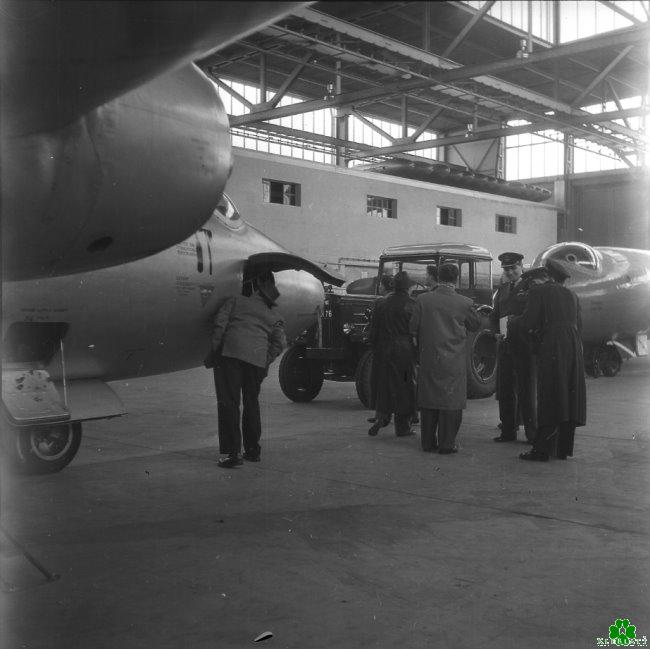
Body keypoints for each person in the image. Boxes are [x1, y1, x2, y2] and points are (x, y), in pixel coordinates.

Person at [206, 271, 286, 468]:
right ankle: (253, 451)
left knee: (229, 404)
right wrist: (265, 360)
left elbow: (219, 325)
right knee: (252, 404)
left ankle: (232, 453)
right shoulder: (274, 315)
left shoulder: (235, 301)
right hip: (256, 364)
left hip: (231, 357)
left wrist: (215, 351)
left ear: (255, 289)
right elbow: (280, 343)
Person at [518, 259, 586, 462]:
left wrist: (514, 323)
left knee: (549, 394)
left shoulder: (539, 292)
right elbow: (580, 326)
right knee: (567, 394)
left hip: (552, 345)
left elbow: (528, 322)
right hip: (572, 346)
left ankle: (541, 451)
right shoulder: (573, 295)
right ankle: (562, 449)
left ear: (547, 275)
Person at [409, 263, 481, 454]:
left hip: (429, 358)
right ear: (457, 278)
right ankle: (447, 444)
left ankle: (427, 443)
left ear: (438, 277)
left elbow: (413, 328)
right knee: (451, 401)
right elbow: (475, 325)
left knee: (429, 399)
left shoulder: (423, 300)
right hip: (453, 360)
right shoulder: (465, 302)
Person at [490, 251, 537, 444]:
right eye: (506, 269)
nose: (509, 272)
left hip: (525, 346)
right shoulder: (502, 290)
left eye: (513, 268)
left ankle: (532, 434)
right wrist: (495, 332)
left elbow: (534, 315)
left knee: (527, 390)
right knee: (506, 390)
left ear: (521, 267)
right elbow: (495, 315)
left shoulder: (531, 287)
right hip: (506, 346)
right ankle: (508, 431)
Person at [367, 271, 417, 438]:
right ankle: (403, 427)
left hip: (383, 348)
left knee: (385, 385)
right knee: (404, 386)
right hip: (403, 349)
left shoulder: (381, 303)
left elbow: (373, 330)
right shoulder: (411, 304)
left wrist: (375, 348)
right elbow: (415, 329)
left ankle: (382, 416)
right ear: (408, 287)